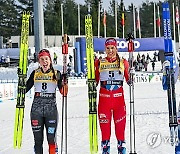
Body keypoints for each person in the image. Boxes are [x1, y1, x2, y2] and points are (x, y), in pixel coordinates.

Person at [26, 49, 68, 154]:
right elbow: (23, 89)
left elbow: (64, 93)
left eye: (46, 59)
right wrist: (21, 79)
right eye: (42, 59)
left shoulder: (56, 73)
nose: (44, 61)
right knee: (38, 140)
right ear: (39, 61)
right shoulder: (34, 73)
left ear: (50, 60)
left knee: (51, 139)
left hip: (51, 111)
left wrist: (65, 82)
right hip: (37, 110)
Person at [95, 38, 130, 154]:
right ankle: (106, 150)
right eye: (108, 48)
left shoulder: (123, 62)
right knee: (105, 134)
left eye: (112, 48)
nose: (110, 51)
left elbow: (129, 80)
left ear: (116, 48)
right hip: (104, 103)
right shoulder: (99, 62)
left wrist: (131, 75)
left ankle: (122, 150)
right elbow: (94, 81)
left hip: (119, 103)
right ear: (105, 49)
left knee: (120, 132)